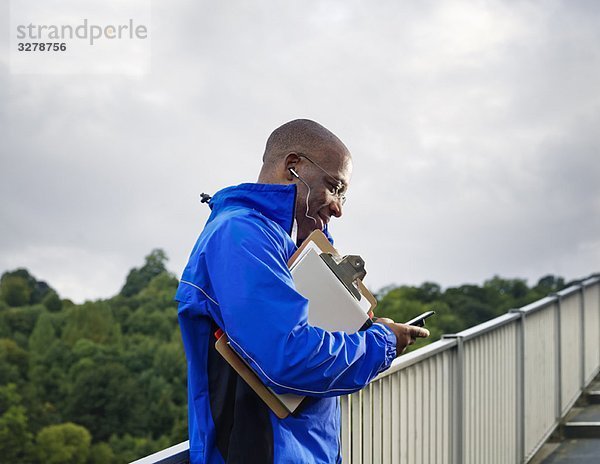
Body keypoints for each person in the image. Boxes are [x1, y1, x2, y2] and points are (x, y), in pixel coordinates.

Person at [176, 119, 429, 463]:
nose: (339, 207)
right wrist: (382, 342)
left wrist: (365, 325)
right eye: (334, 186)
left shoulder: (284, 240)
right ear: (293, 167)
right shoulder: (240, 234)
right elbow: (288, 358)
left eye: (344, 194)